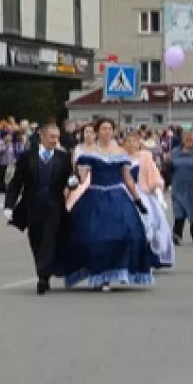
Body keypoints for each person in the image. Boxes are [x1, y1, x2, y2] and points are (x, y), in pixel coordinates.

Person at [59, 118, 157, 291]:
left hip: (118, 196)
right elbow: (82, 176)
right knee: (95, 236)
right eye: (103, 129)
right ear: (97, 132)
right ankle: (101, 274)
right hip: (96, 195)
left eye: (110, 129)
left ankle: (121, 270)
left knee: (129, 234)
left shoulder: (121, 152)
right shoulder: (89, 153)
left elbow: (127, 179)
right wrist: (72, 182)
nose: (107, 132)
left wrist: (137, 200)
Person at [3, 122, 75, 295]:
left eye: (57, 137)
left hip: (54, 206)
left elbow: (70, 177)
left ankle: (43, 277)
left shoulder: (63, 157)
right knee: (35, 239)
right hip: (32, 206)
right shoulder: (27, 157)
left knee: (49, 239)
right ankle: (43, 271)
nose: (55, 140)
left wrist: (73, 182)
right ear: (42, 137)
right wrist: (9, 205)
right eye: (52, 137)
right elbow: (16, 182)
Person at [127, 131, 175, 270]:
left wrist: (159, 195)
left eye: (134, 141)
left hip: (142, 192)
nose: (131, 144)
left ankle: (151, 257)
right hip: (125, 192)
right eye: (128, 142)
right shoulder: (120, 158)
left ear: (139, 143)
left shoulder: (145, 157)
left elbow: (154, 176)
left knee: (150, 224)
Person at [166, 127, 193, 245]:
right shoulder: (174, 152)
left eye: (191, 138)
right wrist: (167, 164)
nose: (189, 140)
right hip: (179, 187)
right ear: (182, 139)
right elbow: (169, 170)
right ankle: (176, 235)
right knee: (179, 212)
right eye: (186, 138)